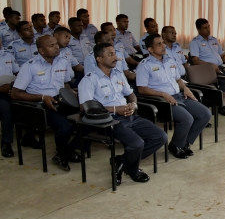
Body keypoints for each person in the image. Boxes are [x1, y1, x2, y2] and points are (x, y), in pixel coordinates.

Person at [78, 42, 167, 184]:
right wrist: (115, 109)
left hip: (129, 115)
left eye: (115, 53)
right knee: (137, 143)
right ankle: (132, 169)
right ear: (99, 59)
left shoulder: (118, 74)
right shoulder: (89, 79)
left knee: (161, 137)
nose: (116, 57)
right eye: (110, 54)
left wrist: (133, 105)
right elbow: (85, 108)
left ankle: (121, 161)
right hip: (109, 120)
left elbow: (131, 94)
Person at [136, 34, 211, 159]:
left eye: (162, 43)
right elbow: (142, 89)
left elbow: (178, 79)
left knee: (205, 114)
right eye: (159, 44)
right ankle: (176, 146)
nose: (163, 46)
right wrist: (162, 94)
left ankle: (184, 143)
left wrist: (185, 88)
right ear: (150, 49)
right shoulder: (144, 65)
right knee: (187, 119)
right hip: (162, 101)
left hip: (179, 95)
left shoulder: (169, 61)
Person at [11, 35, 78, 171]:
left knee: (86, 118)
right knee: (65, 127)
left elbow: (65, 83)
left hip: (61, 101)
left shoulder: (63, 62)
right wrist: (42, 97)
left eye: (56, 44)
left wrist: (70, 91)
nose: (56, 47)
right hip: (40, 106)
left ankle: (68, 149)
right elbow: (15, 93)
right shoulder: (30, 66)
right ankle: (62, 155)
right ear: (41, 50)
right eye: (51, 45)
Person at [190, 18, 225, 116]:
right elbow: (195, 60)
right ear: (198, 30)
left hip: (219, 67)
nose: (208, 29)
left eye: (208, 27)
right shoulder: (195, 42)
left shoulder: (214, 40)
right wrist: (210, 66)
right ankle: (221, 106)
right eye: (205, 28)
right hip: (206, 70)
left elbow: (223, 55)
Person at [0, 39, 19, 158]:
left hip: (9, 90)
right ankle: (6, 142)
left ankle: (29, 136)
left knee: (29, 103)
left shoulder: (7, 55)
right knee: (6, 109)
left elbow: (17, 72)